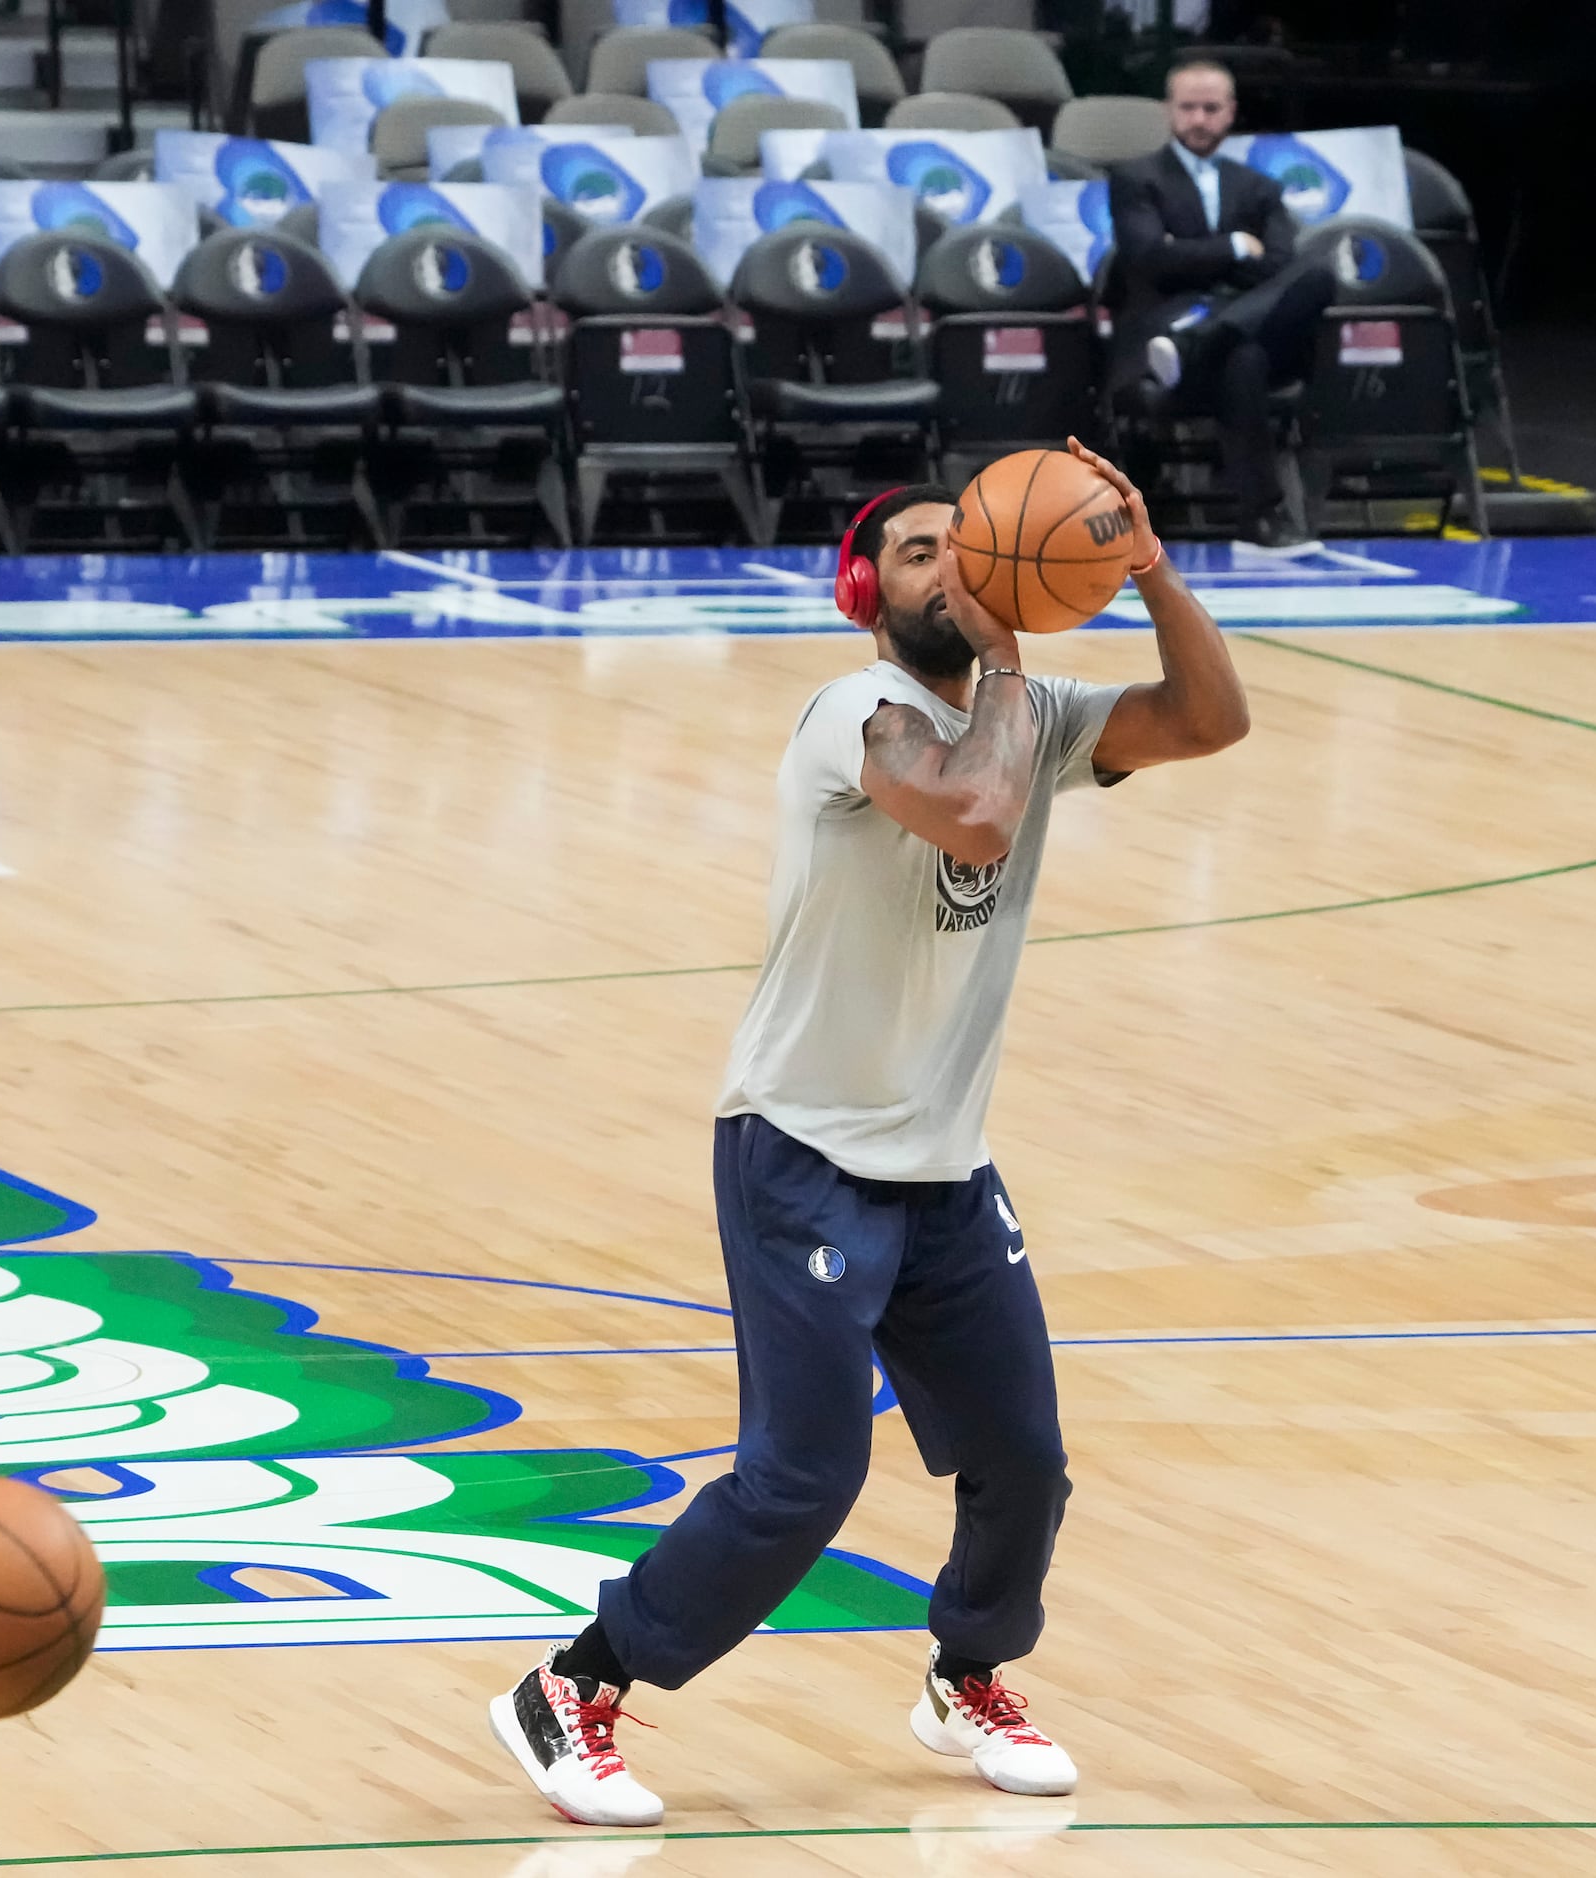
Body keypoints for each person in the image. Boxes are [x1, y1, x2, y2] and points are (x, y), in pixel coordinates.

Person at [486, 446, 1251, 1827]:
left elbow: (1209, 720)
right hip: (802, 1150)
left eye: (962, 540)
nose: (949, 563)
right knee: (804, 1476)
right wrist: (1012, 642)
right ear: (864, 592)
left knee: (1022, 1455)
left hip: (946, 1165)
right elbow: (974, 804)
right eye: (916, 551)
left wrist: (1141, 564)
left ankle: (968, 1673)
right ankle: (573, 1684)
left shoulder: (1039, 705)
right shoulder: (856, 711)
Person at [1108, 57, 1337, 548]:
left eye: (1210, 108)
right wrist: (1233, 247)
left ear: (1231, 112)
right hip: (1165, 325)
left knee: (1317, 273)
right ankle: (1261, 523)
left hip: (1213, 331)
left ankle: (1206, 339)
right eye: (1188, 107)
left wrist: (1185, 253)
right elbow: (1149, 260)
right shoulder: (1135, 178)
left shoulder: (1259, 187)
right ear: (1169, 111)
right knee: (1245, 359)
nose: (1198, 119)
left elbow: (1277, 264)